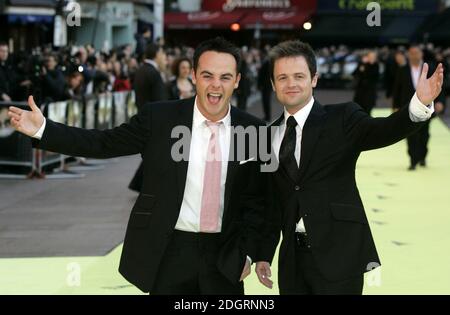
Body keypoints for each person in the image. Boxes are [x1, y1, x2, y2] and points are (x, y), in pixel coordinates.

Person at [8, 37, 265, 295]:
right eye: (208, 75)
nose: (216, 85)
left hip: (225, 256)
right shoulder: (160, 118)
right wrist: (44, 129)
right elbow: (103, 143)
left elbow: (260, 200)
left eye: (225, 77)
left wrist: (250, 253)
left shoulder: (254, 131)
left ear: (237, 81)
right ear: (194, 76)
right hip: (168, 251)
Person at [254, 40, 443, 295]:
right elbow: (272, 204)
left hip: (340, 255)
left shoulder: (342, 118)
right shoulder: (267, 136)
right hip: (293, 262)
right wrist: (263, 253)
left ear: (314, 79)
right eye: (283, 77)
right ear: (273, 85)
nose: (291, 83)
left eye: (299, 76)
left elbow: (384, 131)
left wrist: (419, 103)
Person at [392, 44, 446, 170]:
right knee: (410, 134)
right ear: (408, 55)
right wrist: (395, 106)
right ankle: (413, 160)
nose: (413, 55)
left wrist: (440, 101)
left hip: (426, 106)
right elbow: (397, 89)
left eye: (416, 53)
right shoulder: (403, 69)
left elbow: (438, 85)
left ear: (421, 54)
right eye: (411, 53)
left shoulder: (430, 67)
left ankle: (422, 157)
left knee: (424, 134)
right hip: (408, 107)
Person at [129, 43, 169, 192]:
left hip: (145, 115)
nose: (164, 57)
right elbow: (160, 99)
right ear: (157, 54)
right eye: (162, 53)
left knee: (153, 152)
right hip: (154, 118)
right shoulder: (152, 72)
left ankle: (139, 183)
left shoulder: (142, 70)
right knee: (155, 152)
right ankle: (140, 183)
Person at [352, 50, 379, 116]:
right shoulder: (362, 64)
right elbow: (354, 73)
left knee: (368, 111)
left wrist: (368, 65)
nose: (371, 58)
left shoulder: (375, 66)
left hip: (369, 93)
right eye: (370, 56)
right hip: (360, 92)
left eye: (373, 57)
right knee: (359, 110)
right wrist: (362, 64)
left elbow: (373, 77)